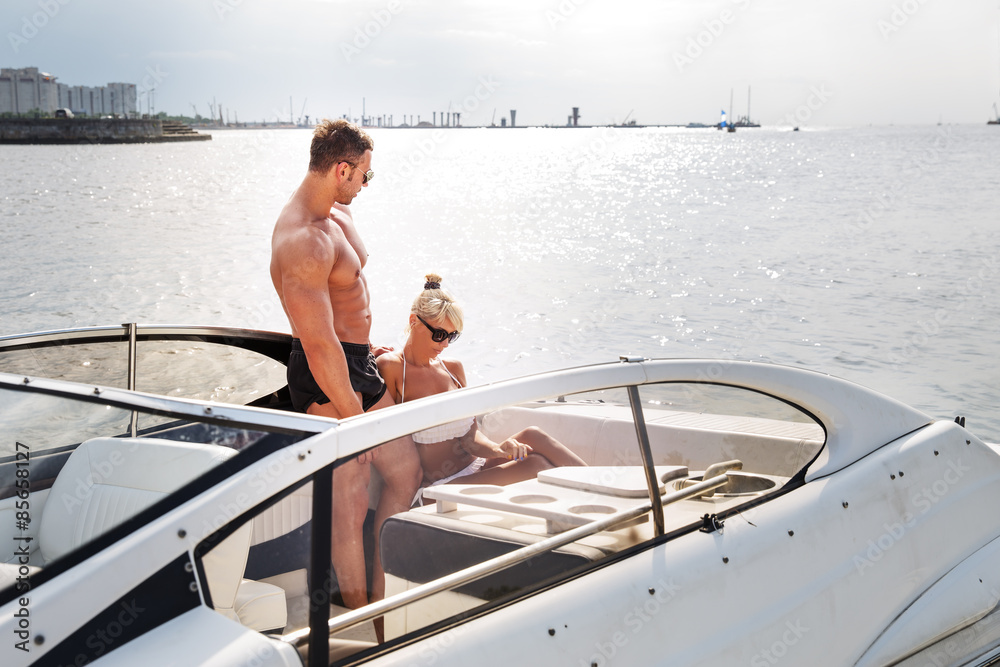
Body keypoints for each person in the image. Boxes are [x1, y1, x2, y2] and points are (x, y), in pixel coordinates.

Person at [269, 119, 422, 629]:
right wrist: (357, 425)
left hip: (355, 357)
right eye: (364, 176)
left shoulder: (332, 212)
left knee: (404, 470)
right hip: (327, 369)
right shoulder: (303, 240)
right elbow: (317, 342)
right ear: (342, 169)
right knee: (352, 493)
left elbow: (346, 295)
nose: (365, 185)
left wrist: (368, 350)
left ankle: (382, 598)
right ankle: (360, 626)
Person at [377, 274, 586, 498]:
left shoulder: (453, 369)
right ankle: (596, 506)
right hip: (439, 486)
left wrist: (498, 449)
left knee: (533, 436)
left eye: (452, 336)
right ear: (413, 321)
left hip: (476, 467)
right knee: (537, 466)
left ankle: (608, 492)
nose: (445, 344)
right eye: (439, 334)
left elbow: (469, 436)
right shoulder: (393, 368)